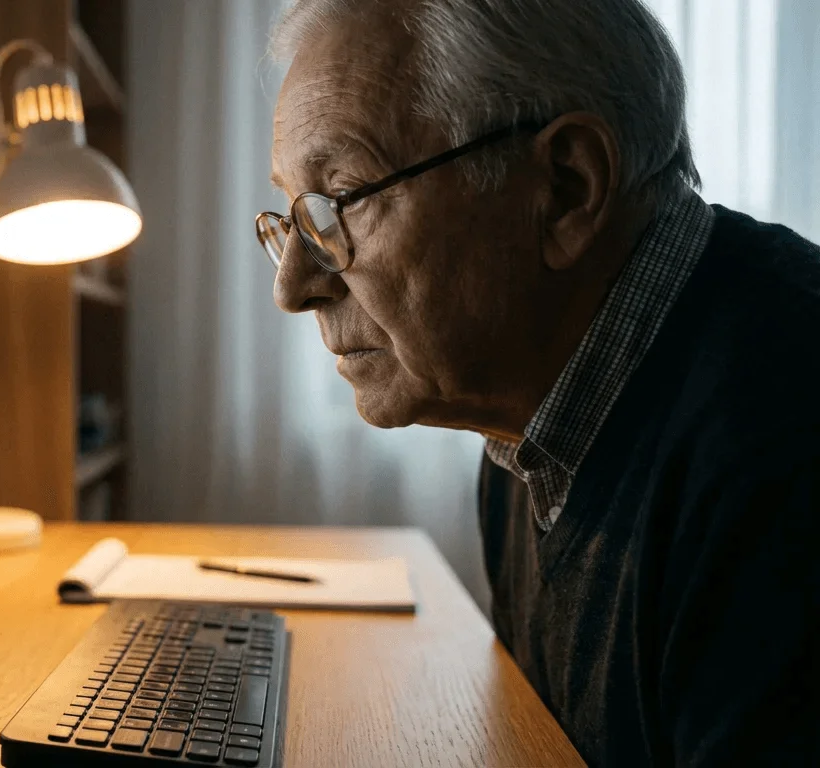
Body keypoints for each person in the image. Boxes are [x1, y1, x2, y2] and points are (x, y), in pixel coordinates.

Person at [261, 0, 820, 765]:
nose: (293, 287)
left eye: (344, 200)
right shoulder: (526, 423)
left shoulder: (783, 444)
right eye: (293, 218)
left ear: (564, 188)